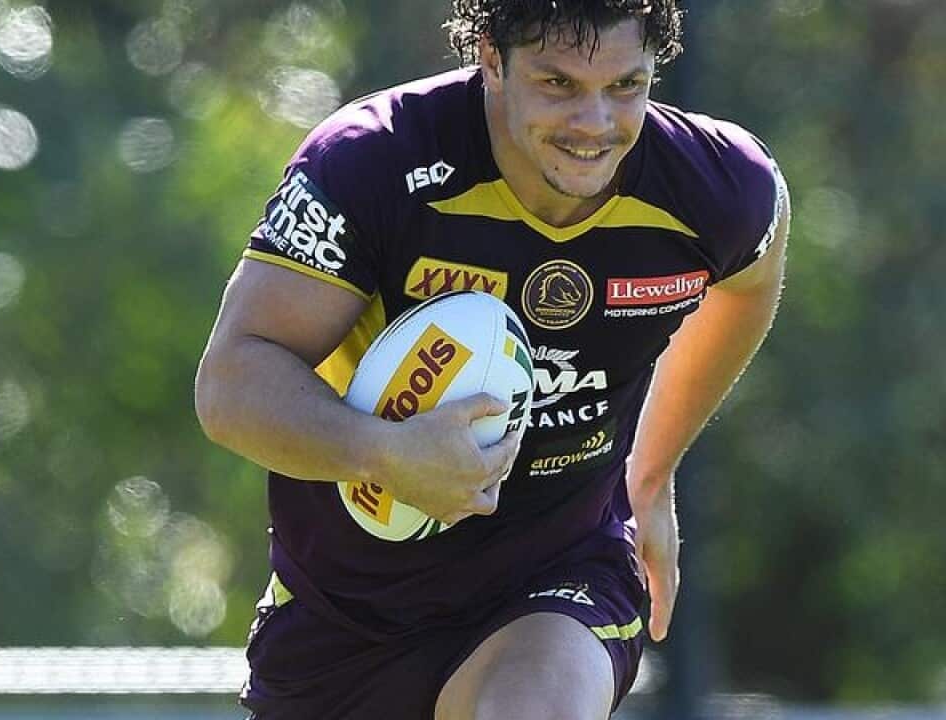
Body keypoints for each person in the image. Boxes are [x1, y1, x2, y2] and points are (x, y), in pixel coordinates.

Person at [195, 0, 789, 717]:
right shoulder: (371, 161)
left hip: (561, 571)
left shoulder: (717, 187)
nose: (595, 124)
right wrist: (382, 452)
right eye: (559, 84)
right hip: (346, 606)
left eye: (626, 86)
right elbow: (231, 382)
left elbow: (753, 275)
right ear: (490, 59)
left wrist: (651, 468)